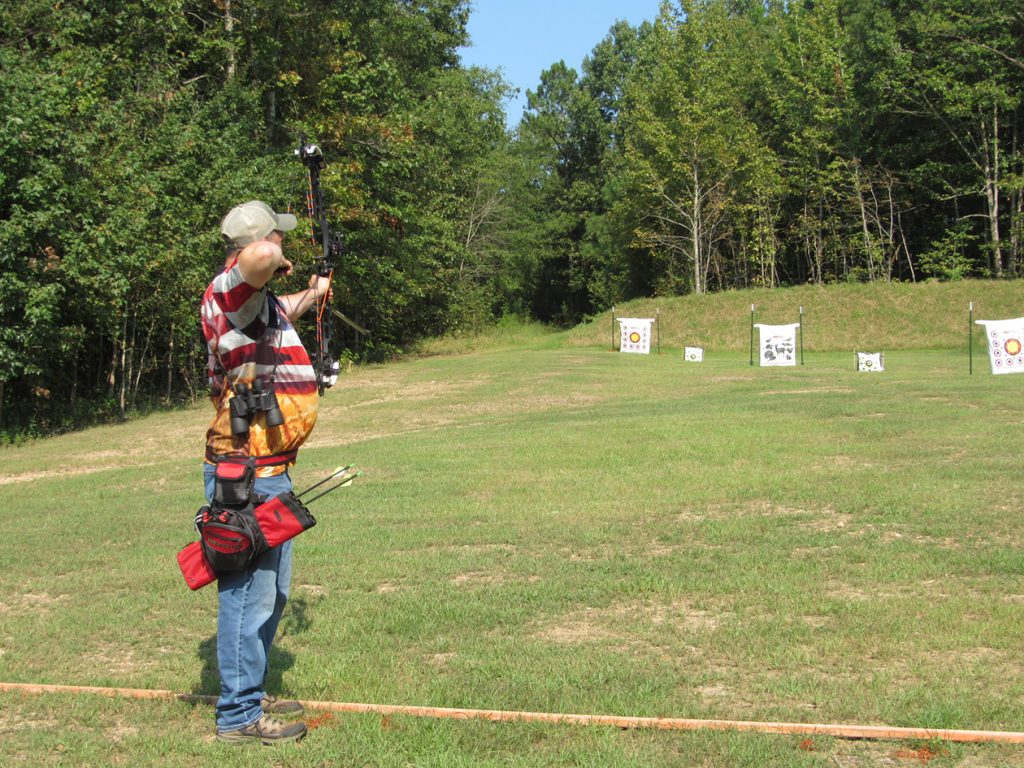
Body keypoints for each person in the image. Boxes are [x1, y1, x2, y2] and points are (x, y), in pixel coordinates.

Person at [199, 200, 331, 744]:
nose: (283, 250)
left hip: (269, 470)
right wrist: (272, 254)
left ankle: (249, 691)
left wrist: (314, 294)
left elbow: (277, 316)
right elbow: (256, 258)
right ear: (260, 240)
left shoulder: (253, 303)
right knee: (246, 593)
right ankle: (237, 717)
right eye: (279, 239)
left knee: (271, 593)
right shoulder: (229, 287)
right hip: (245, 474)